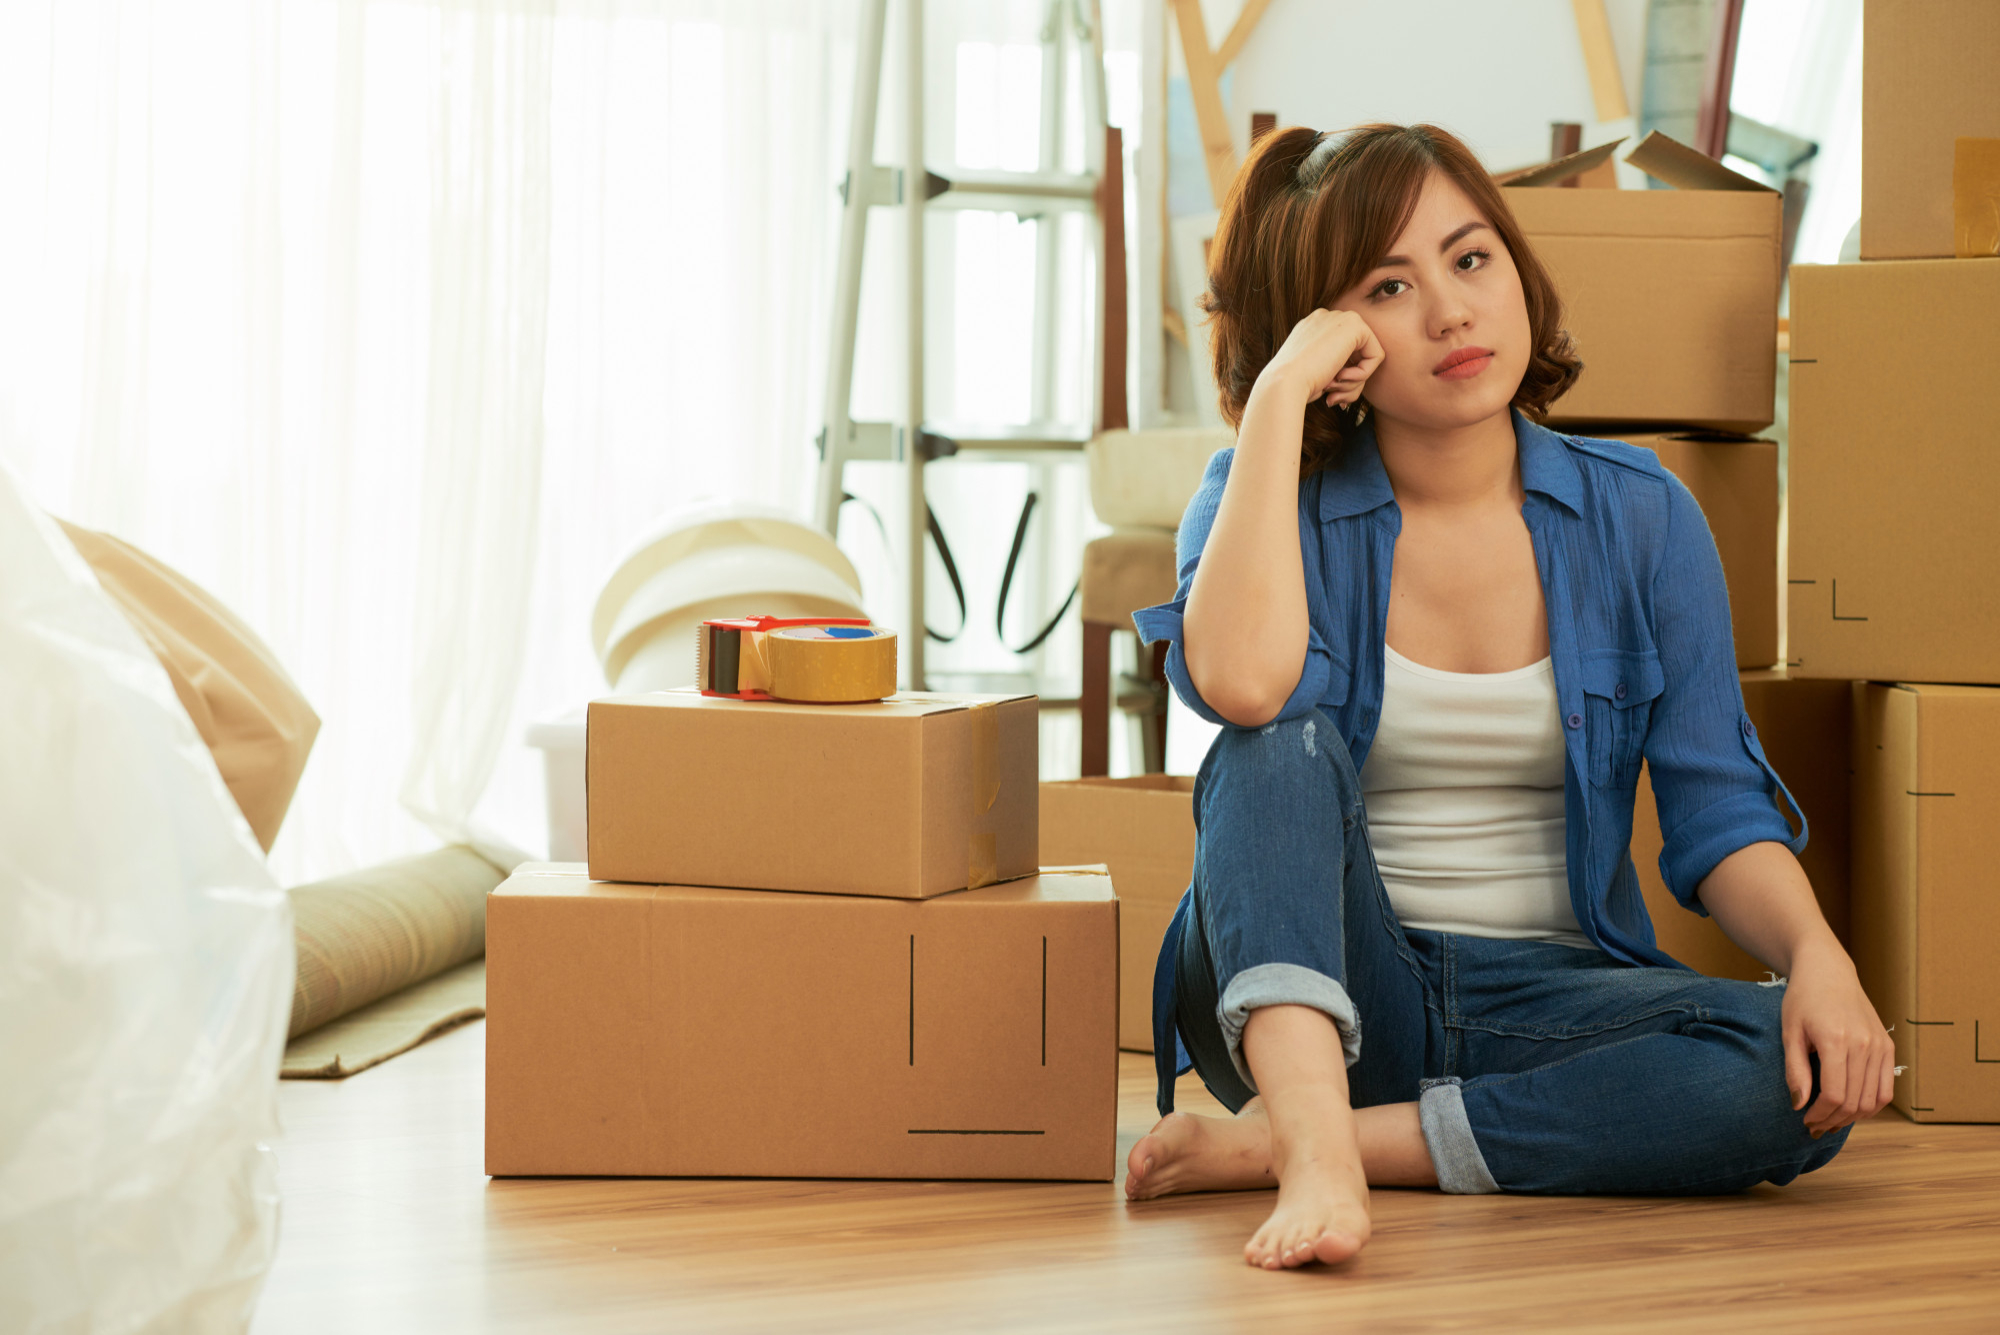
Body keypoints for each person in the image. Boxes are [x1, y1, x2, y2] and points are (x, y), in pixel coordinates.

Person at [1121, 123, 1894, 1271]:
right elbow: (1238, 690)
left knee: (1781, 1076)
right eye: (1388, 286)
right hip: (1321, 992)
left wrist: (1819, 957)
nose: (1448, 311)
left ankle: (1286, 1149)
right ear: (1328, 338)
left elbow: (1716, 806)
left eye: (1469, 258)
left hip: (1548, 999)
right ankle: (1314, 1136)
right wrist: (1276, 398)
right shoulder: (1256, 496)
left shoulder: (1643, 517)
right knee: (1268, 744)